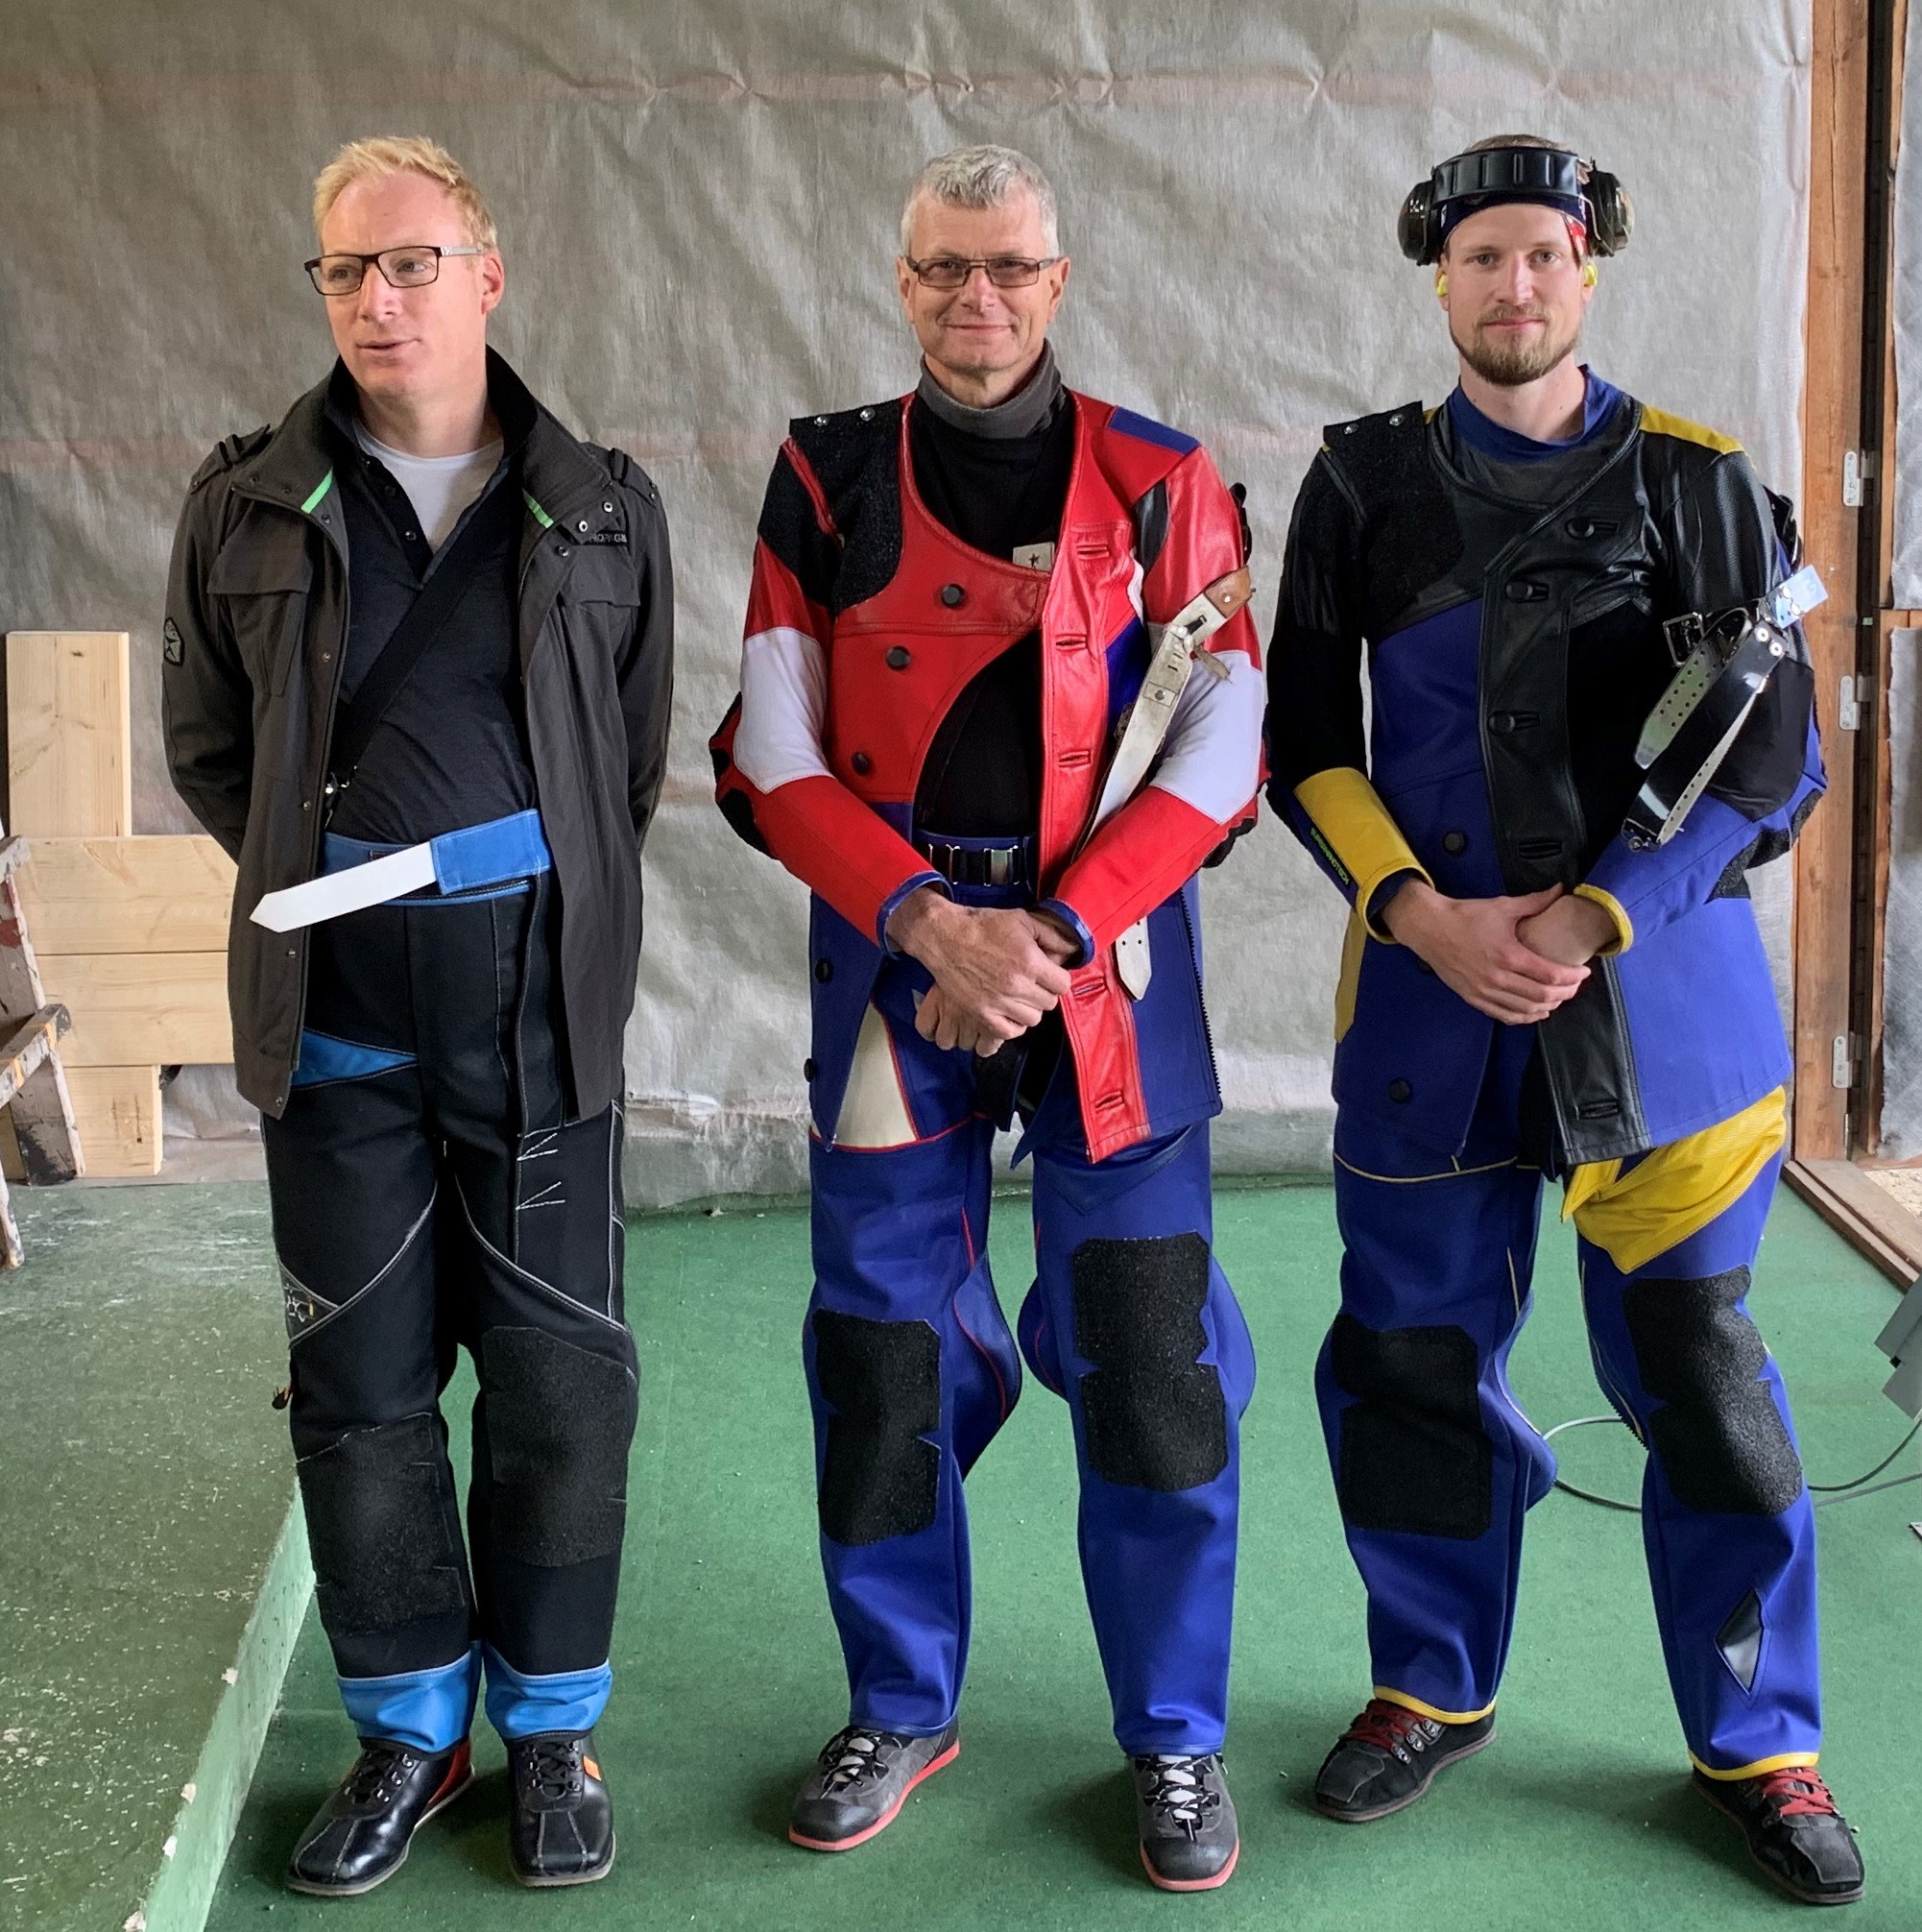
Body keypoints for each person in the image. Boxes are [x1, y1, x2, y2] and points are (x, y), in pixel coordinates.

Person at [1266, 134, 1862, 1907]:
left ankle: (1761, 1737)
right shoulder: (1358, 484)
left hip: (1661, 1023)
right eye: (1479, 263)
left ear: (1588, 271)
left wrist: (1607, 910)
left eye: (1543, 257)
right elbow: (1306, 743)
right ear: (1435, 283)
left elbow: (1780, 760)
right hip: (1428, 1013)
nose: (1512, 288)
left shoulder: (1702, 482)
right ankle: (1423, 1686)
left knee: (1699, 1376)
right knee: (1412, 1364)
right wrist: (1422, 916)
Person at [711, 144, 1262, 1891]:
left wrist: (1059, 933)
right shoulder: (821, 477)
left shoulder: (1169, 482)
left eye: (1008, 267)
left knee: (1151, 1360)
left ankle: (1174, 1739)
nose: (978, 297)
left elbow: (1226, 745)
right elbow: (766, 752)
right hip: (899, 966)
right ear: (902, 281)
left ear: (1059, 275)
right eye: (945, 268)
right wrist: (933, 926)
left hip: (1107, 981)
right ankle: (899, 1700)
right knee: (879, 1361)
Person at [163, 135, 673, 1894]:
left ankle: (551, 1737)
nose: (378, 298)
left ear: (487, 272)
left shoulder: (602, 502)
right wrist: (363, 893)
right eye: (345, 271)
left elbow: (630, 764)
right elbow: (216, 755)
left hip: (540, 1029)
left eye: (412, 263)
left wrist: (503, 907)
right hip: (338, 1042)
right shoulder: (243, 506)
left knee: (557, 1393)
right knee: (359, 1396)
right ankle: (405, 1739)